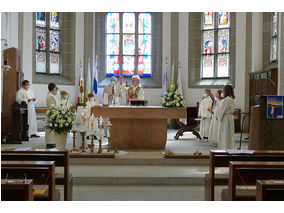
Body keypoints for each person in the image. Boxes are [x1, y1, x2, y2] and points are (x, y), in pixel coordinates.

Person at [216, 84, 235, 149]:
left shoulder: (226, 99)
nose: (222, 92)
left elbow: (222, 110)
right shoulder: (231, 98)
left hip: (226, 118)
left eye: (223, 90)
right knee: (228, 134)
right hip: (229, 118)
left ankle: (225, 148)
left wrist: (218, 117)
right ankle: (229, 147)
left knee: (225, 134)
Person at [45, 83, 58, 148]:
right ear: (53, 88)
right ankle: (50, 142)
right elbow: (52, 105)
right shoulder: (50, 96)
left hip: (53, 112)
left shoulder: (51, 95)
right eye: (55, 87)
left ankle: (52, 142)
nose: (56, 89)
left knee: (52, 128)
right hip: (52, 113)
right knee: (51, 128)